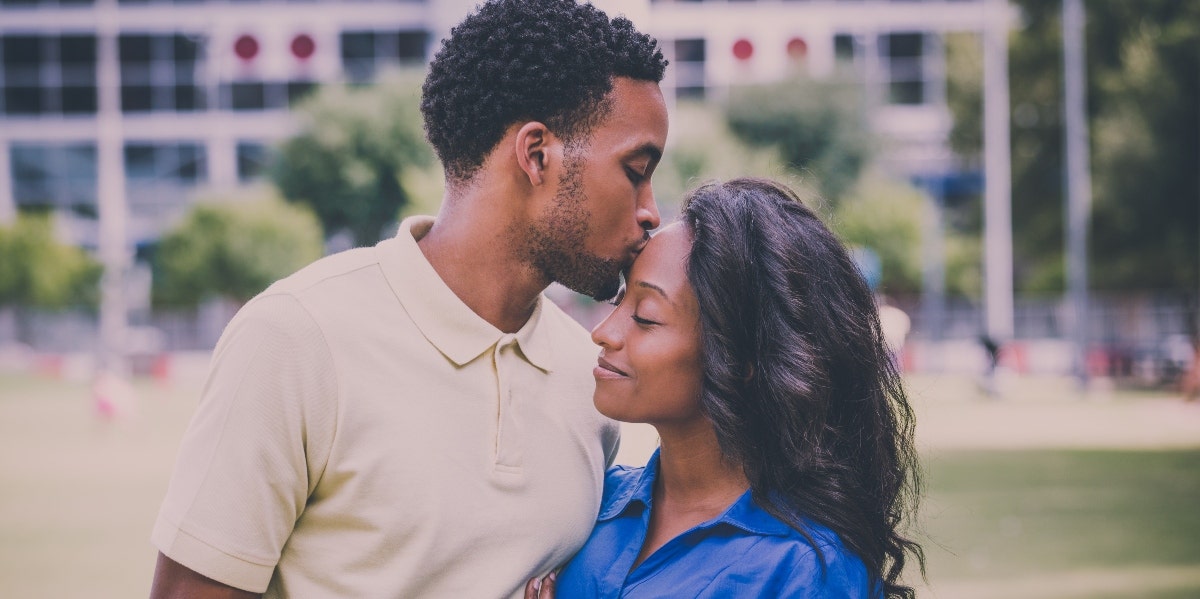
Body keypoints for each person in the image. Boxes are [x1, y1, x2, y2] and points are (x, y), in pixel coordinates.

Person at [148, 1, 669, 597]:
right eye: (636, 169)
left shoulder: (590, 379)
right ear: (536, 154)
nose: (651, 209)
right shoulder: (296, 337)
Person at [529, 178, 923, 598]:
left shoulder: (807, 568)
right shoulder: (589, 505)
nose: (603, 332)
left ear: (742, 359)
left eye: (645, 317)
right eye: (619, 302)